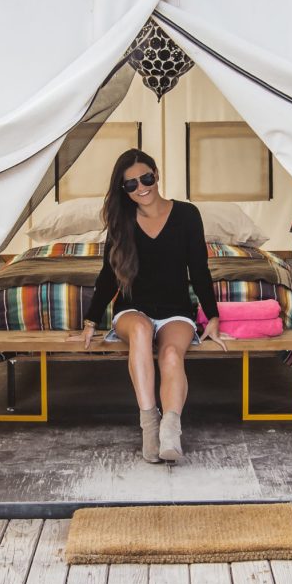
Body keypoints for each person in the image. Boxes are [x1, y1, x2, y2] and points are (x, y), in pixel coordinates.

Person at [69, 148, 225, 463]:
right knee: (140, 329)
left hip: (176, 310)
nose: (141, 187)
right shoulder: (122, 221)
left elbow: (199, 270)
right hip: (132, 310)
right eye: (130, 184)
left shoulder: (186, 215)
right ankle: (149, 426)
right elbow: (108, 275)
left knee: (170, 354)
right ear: (123, 190)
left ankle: (170, 430)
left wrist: (213, 316)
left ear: (156, 174)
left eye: (146, 178)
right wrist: (90, 322)